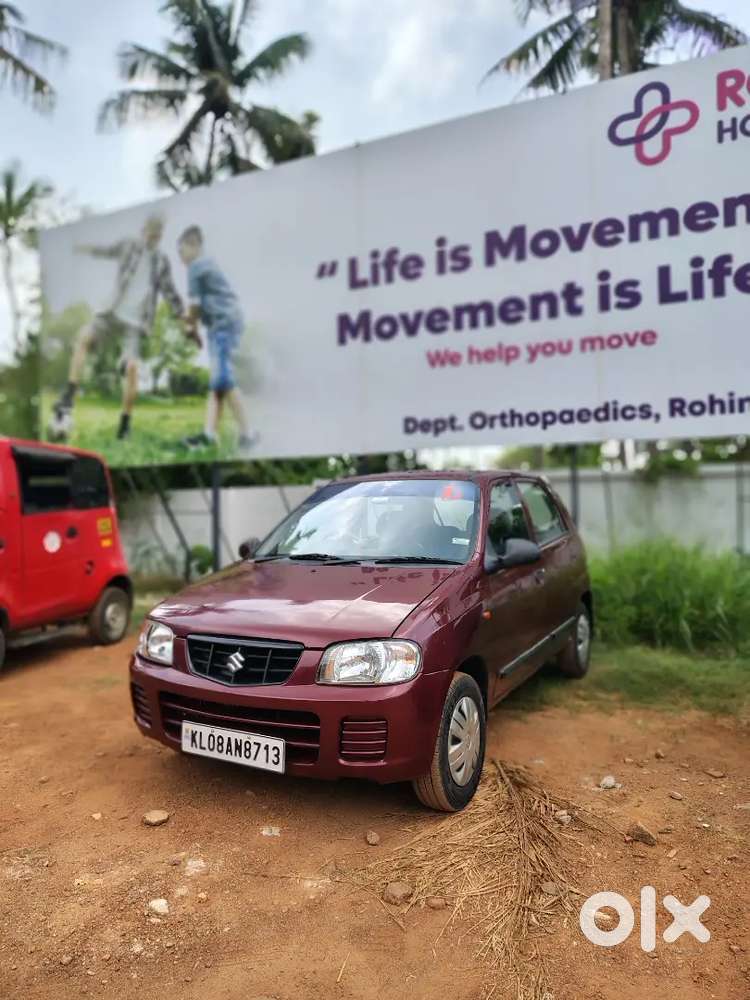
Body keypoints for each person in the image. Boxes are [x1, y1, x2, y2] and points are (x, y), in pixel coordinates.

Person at [49, 214, 183, 441]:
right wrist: (79, 248)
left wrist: (183, 317)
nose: (153, 236)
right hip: (113, 312)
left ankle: (124, 424)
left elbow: (170, 293)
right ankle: (68, 397)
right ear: (143, 230)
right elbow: (105, 250)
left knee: (132, 369)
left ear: (161, 235)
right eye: (150, 231)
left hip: (136, 323)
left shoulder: (161, 261)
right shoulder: (129, 246)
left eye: (158, 233)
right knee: (83, 337)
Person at [177, 225, 256, 451]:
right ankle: (209, 435)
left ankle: (247, 434)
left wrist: (188, 326)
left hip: (223, 324)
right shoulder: (208, 264)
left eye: (181, 250)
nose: (181, 257)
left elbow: (194, 307)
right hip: (224, 323)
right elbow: (201, 307)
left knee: (223, 380)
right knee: (216, 385)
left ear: (193, 246)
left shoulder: (196, 267)